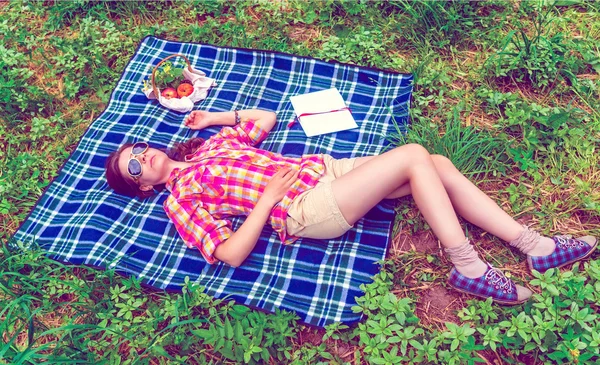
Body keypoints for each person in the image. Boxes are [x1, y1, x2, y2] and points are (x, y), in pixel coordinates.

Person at [105, 108, 597, 305]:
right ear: (142, 187)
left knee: (436, 162)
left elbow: (265, 117)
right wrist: (269, 200)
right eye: (134, 167)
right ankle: (467, 265)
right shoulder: (178, 201)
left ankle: (536, 246)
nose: (144, 156)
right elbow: (230, 254)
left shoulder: (208, 146)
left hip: (328, 171)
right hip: (301, 207)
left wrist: (214, 116)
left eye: (138, 148)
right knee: (411, 157)